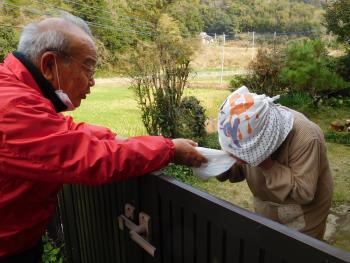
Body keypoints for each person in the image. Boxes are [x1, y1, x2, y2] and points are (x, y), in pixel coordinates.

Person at [0, 13, 207, 262]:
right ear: (48, 65)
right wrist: (169, 150)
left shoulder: (16, 93)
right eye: (87, 66)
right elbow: (89, 159)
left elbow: (65, 132)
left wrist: (116, 139)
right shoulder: (10, 107)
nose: (93, 81)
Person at [216, 86, 333, 240]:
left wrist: (266, 164)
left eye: (246, 154)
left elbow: (304, 193)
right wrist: (214, 164)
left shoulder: (307, 137)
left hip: (305, 214)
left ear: (266, 144)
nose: (239, 160)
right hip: (266, 207)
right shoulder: (245, 127)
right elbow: (237, 171)